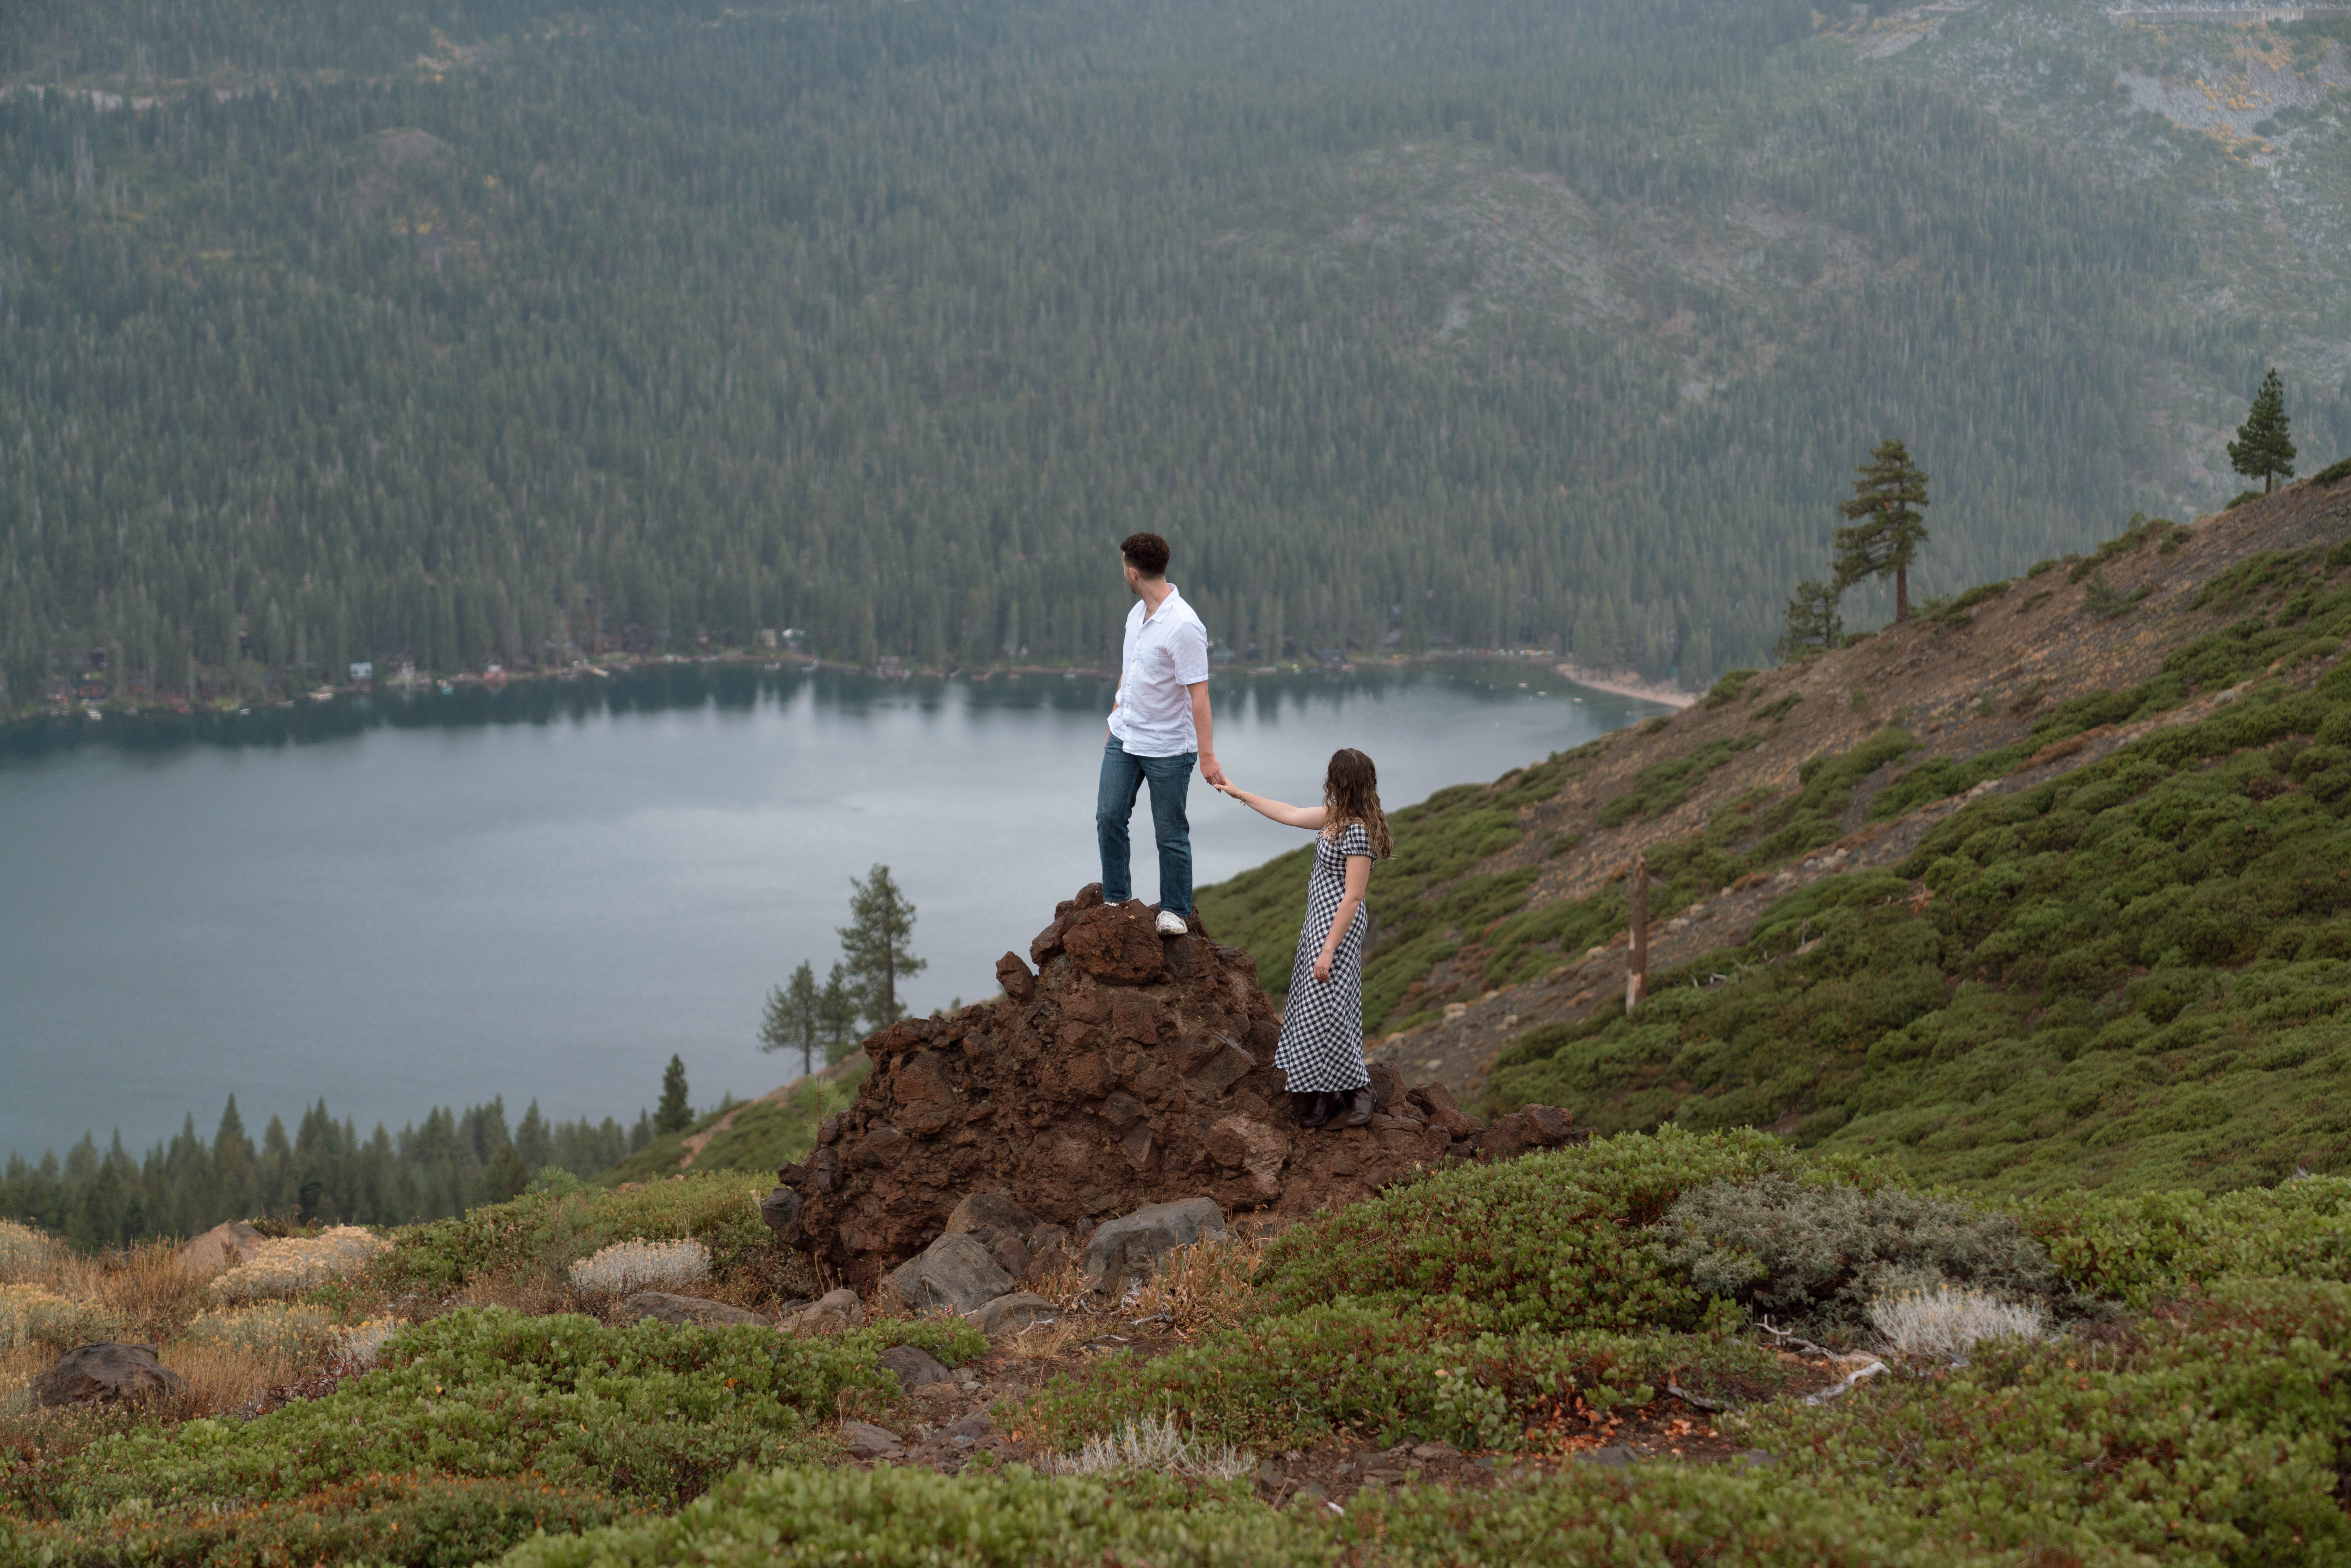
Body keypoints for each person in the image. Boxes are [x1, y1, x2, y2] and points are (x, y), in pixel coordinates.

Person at [1214, 748, 1393, 1128]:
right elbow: (1290, 813)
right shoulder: (1336, 818)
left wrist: (1328, 950)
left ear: (1339, 781)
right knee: (1315, 1007)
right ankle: (1326, 1092)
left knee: (1329, 1007)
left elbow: (1353, 897)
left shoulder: (1357, 831)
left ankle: (1360, 1089)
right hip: (1318, 923)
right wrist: (1239, 793)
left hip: (1337, 929)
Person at [1101, 532, 1227, 936]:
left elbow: (1200, 697)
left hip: (1169, 747)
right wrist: (1116, 718)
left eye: (1123, 566)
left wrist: (1207, 757)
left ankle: (1175, 911)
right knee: (1109, 816)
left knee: (1170, 833)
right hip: (1125, 738)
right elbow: (1130, 672)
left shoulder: (1184, 626)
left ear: (1133, 573)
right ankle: (1116, 899)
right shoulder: (1136, 616)